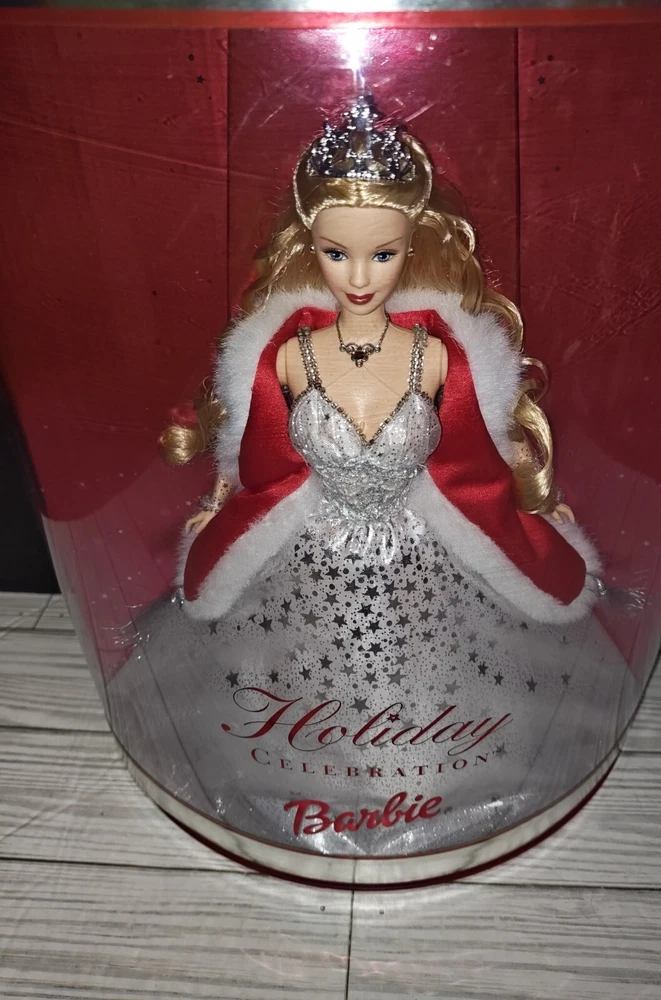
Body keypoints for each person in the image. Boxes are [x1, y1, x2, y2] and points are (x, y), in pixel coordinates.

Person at [110, 95, 630, 864]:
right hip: (304, 558)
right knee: (283, 684)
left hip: (425, 561)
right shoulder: (288, 356)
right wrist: (221, 514)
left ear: (412, 248)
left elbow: (471, 474)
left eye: (382, 255)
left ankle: (422, 770)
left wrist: (532, 527)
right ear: (309, 247)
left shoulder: (437, 356)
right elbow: (262, 468)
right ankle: (310, 768)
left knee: (441, 686)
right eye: (337, 253)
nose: (358, 277)